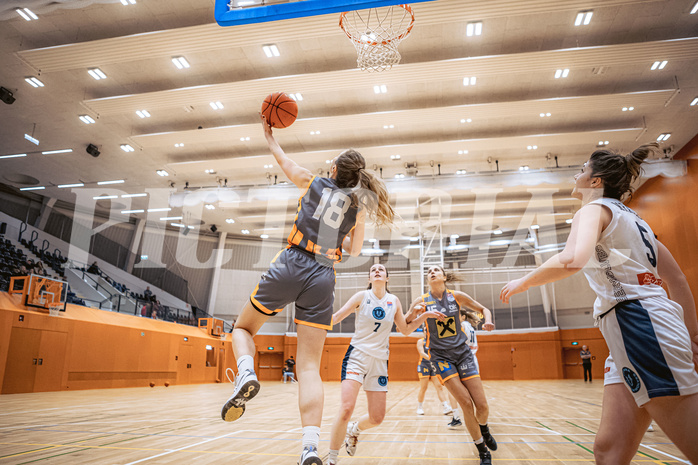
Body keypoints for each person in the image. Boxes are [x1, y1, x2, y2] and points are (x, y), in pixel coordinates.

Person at [500, 143, 698, 464]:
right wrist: (690, 334)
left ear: (596, 181)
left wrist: (523, 282)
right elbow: (676, 280)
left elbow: (572, 259)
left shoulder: (591, 211)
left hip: (640, 326)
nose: (577, 172)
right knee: (608, 450)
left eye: (583, 168)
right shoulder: (636, 221)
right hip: (633, 330)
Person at [221, 114, 395, 465]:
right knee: (309, 368)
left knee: (241, 328)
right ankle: (309, 448)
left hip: (292, 262)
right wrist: (357, 219)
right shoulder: (356, 207)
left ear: (333, 169)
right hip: (323, 275)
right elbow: (355, 251)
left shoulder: (314, 182)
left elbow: (282, 159)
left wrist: (268, 134)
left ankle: (246, 372)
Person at [327, 264, 444, 465]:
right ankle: (331, 460)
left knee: (377, 417)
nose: (378, 271)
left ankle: (354, 430)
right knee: (346, 408)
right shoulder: (361, 297)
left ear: (387, 278)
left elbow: (405, 330)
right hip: (357, 356)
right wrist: (312, 319)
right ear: (370, 278)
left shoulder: (393, 301)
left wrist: (423, 316)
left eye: (381, 269)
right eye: (373, 270)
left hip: (379, 361)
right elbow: (336, 318)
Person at [407, 265, 497, 465]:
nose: (432, 272)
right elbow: (405, 324)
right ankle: (482, 449)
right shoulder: (421, 301)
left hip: (463, 354)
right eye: (429, 271)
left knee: (481, 406)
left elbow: (483, 309)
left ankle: (484, 429)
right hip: (440, 358)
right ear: (428, 280)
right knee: (465, 403)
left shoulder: (456, 296)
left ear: (444, 277)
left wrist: (487, 321)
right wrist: (414, 313)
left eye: (436, 270)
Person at [447, 309, 482, 428]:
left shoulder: (461, 326)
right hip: (473, 361)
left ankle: (456, 417)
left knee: (452, 390)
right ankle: (479, 418)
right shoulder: (470, 326)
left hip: (463, 360)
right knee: (474, 393)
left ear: (462, 317)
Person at [416, 336, 453, 417]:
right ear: (424, 330)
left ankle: (445, 406)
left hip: (434, 365)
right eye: (426, 329)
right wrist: (432, 358)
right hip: (424, 365)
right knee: (424, 387)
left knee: (439, 386)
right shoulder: (421, 341)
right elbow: (421, 353)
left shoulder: (434, 340)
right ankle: (419, 407)